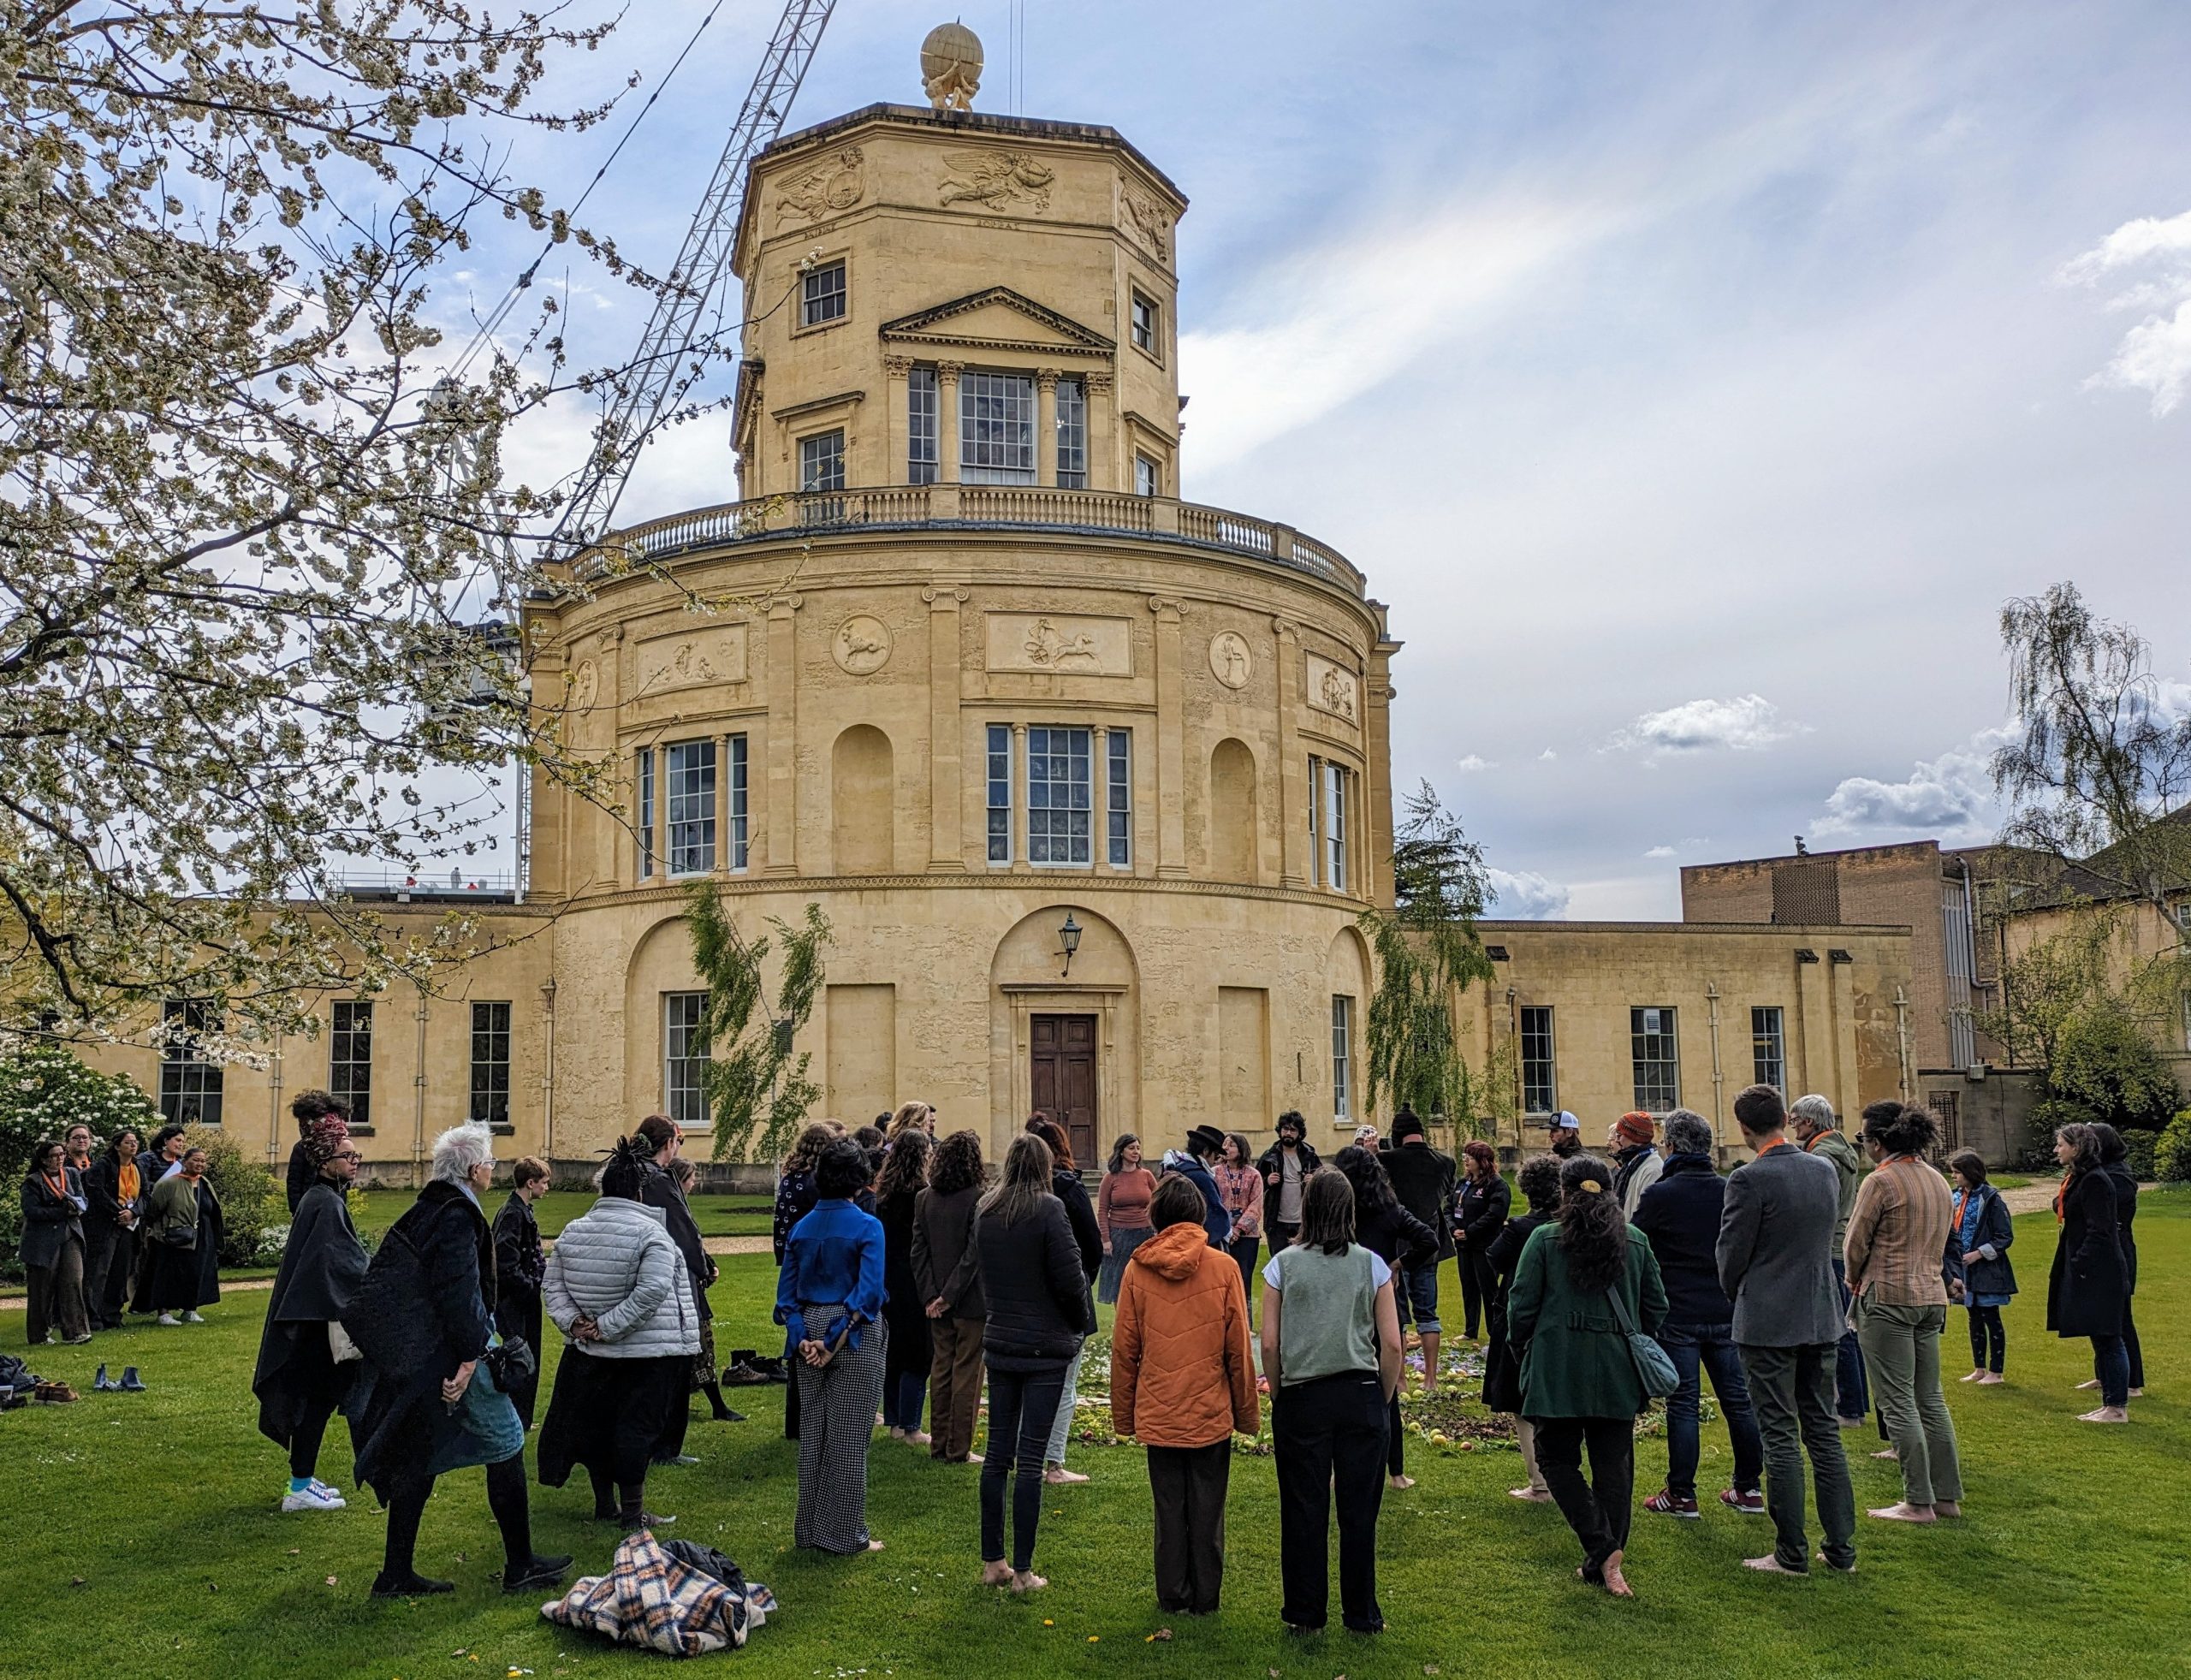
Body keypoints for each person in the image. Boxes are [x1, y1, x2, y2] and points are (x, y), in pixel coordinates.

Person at [345, 1122, 567, 1599]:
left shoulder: (428, 1206)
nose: (492, 1169)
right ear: (472, 1169)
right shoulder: (456, 1215)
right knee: (506, 1441)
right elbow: (458, 1292)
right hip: (450, 1352)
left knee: (418, 1457)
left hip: (423, 1355)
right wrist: (469, 1359)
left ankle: (396, 1574)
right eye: (488, 1162)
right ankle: (521, 1565)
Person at [1509, 1154, 1668, 1599]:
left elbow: (1520, 1306)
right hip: (1616, 1367)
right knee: (1613, 1466)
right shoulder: (1634, 1240)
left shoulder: (1544, 1239)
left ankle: (1601, 1551)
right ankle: (1605, 1555)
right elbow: (1657, 1307)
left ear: (1564, 1192)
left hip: (1558, 1363)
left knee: (1556, 1458)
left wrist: (1524, 1347)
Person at [1717, 1083, 1856, 1576]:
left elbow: (1731, 1254)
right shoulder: (1823, 1169)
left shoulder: (1750, 1179)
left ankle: (1792, 1553)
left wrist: (1741, 1294)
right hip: (1820, 1315)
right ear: (1783, 1117)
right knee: (1822, 1432)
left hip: (1770, 1320)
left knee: (1780, 1435)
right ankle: (1841, 1550)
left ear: (1744, 1128)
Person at [1111, 1173, 1260, 1615]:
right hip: (1208, 1407)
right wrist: (1246, 1414)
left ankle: (1173, 1593)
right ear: (1198, 1214)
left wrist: (1125, 1416)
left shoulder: (1139, 1269)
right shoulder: (1223, 1267)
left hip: (1162, 1407)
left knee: (1169, 1510)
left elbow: (1125, 1351)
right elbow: (1240, 1350)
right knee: (1208, 1510)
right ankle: (1205, 1596)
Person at [1261, 1168, 1402, 1635]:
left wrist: (1280, 1390)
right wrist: (1381, 1398)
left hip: (1303, 1393)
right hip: (1360, 1391)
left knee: (1304, 1508)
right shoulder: (1372, 1264)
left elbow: (1269, 1343)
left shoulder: (1283, 1263)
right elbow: (1393, 1345)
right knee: (1359, 1512)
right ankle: (1361, 1613)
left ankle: (1305, 1613)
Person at [540, 1136, 699, 1529]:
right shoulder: (652, 1234)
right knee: (635, 1429)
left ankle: (605, 1504)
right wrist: (604, 1328)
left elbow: (552, 1285)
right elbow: (652, 1292)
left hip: (590, 1353)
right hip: (644, 1353)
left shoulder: (574, 1230)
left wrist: (578, 1324)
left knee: (598, 1426)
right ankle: (631, 1512)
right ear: (641, 1190)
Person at [1632, 1110, 1765, 1520]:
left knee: (1684, 1404)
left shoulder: (1660, 1194)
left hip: (1679, 1312)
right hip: (1725, 1308)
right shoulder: (1729, 1189)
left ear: (1670, 1146)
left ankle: (1683, 1494)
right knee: (1739, 1402)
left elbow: (1637, 1245)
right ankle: (1748, 1487)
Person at [977, 1132, 1093, 1592]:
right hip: (1042, 1346)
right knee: (1027, 1461)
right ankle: (1022, 1570)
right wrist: (1080, 1321)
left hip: (1004, 1339)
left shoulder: (988, 1209)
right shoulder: (1047, 1209)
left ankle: (994, 1563)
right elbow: (1070, 1279)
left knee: (997, 1457)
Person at [1844, 1102, 1960, 1523]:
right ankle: (1946, 1497)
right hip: (1930, 1294)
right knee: (1930, 1398)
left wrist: (1853, 1278)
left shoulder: (1881, 1181)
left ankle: (1918, 1501)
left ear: (1878, 1142)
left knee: (1898, 1402)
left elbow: (1854, 1243)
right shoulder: (1937, 1180)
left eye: (1863, 1140)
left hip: (1889, 1297)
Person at [774, 1137, 888, 1554]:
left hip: (810, 1327)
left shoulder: (802, 1228)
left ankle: (810, 1530)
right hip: (850, 1331)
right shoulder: (866, 1226)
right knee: (848, 1435)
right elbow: (870, 1292)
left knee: (815, 1432)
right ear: (859, 1181)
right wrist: (833, 1338)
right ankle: (845, 1534)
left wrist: (804, 1337)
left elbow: (785, 1298)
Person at [252, 1116, 368, 1511]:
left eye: (356, 1154)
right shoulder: (325, 1203)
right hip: (316, 1325)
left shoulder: (321, 1199)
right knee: (315, 1402)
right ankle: (299, 1489)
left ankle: (301, 1481)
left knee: (314, 1402)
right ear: (324, 1161)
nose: (355, 1161)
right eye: (347, 1155)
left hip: (311, 1319)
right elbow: (342, 1265)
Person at [1333, 1144, 1435, 1491]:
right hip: (1382, 1304)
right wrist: (1397, 1265)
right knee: (1386, 1387)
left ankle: (1340, 1470)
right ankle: (1396, 1472)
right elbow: (1427, 1238)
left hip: (1345, 1303)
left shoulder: (1340, 1213)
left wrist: (1397, 1264)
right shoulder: (1389, 1209)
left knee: (1342, 1381)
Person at [634, 1113, 720, 1465]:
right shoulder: (657, 1179)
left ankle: (657, 1442)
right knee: (673, 1364)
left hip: (647, 1273)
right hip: (670, 1278)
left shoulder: (639, 1176)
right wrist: (702, 1266)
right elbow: (682, 1231)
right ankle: (664, 1446)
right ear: (669, 1143)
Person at [1483, 1155, 1562, 1502]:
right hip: (1558, 1318)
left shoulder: (1520, 1230)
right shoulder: (1568, 1227)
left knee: (1522, 1401)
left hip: (1521, 1318)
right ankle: (1553, 1478)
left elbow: (1494, 1259)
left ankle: (1541, 1482)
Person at [1028, 1115, 1101, 1484]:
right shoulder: (1069, 1190)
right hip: (1064, 1298)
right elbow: (1092, 1246)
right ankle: (1052, 1464)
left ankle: (1028, 1459)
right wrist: (1079, 1284)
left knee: (1028, 1380)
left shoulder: (1012, 1196)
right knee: (1064, 1384)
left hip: (1025, 1301)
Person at [2046, 1122, 2132, 1423]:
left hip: (2101, 1271)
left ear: (2077, 1147)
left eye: (2061, 1144)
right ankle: (2109, 1401)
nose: (2056, 1150)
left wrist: (2081, 1263)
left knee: (2110, 1337)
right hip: (2090, 1268)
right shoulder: (2081, 1178)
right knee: (2101, 1337)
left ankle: (2117, 1407)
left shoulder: (2096, 1181)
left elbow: (2102, 1230)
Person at [912, 1128, 989, 1463]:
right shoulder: (978, 1199)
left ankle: (939, 1442)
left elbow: (918, 1252)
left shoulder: (925, 1198)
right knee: (966, 1374)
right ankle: (958, 1447)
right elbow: (974, 1253)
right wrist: (946, 1295)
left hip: (938, 1301)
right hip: (968, 1301)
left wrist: (932, 1294)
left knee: (942, 1369)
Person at [1793, 1093, 1868, 1427]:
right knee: (1844, 1329)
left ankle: (1850, 1408)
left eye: (1796, 1120)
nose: (1793, 1125)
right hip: (1838, 1245)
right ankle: (1852, 1400)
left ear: (1809, 1122)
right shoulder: (1838, 1149)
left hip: (1829, 1248)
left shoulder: (1822, 1157)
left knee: (1839, 1330)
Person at [663, 1156, 743, 1425]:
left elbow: (693, 1241)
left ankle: (711, 1404)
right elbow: (689, 1243)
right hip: (686, 1290)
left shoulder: (675, 1207)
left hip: (688, 1286)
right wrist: (706, 1270)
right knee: (700, 1346)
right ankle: (716, 1406)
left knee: (699, 1347)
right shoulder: (675, 1209)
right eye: (691, 1179)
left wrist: (708, 1264)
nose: (694, 1184)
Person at [774, 1120, 838, 1442]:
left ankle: (795, 1422)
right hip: (812, 1255)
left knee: (796, 1336)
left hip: (791, 1257)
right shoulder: (814, 1184)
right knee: (810, 1337)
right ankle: (810, 1420)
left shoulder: (790, 1178)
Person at [1381, 1112, 1455, 1382]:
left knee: (1397, 1316)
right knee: (1428, 1312)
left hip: (1395, 1247)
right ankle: (1431, 1379)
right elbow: (1446, 1195)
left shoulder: (1385, 1160)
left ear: (1397, 1134)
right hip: (1428, 1246)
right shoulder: (1446, 1163)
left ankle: (1399, 1379)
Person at [875, 1128, 935, 1446]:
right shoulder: (922, 1196)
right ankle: (910, 1425)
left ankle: (896, 1420)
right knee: (916, 1352)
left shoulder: (884, 1195)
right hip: (913, 1279)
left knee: (894, 1349)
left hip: (888, 1277)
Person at [1945, 1150, 2016, 1384]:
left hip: (1986, 1269)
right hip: (1964, 1268)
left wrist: (1978, 1254)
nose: (1953, 1176)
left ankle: (1997, 1371)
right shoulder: (1955, 1197)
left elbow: (2004, 1236)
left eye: (1957, 1172)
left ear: (1969, 1173)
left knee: (1991, 1317)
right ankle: (1979, 1368)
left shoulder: (1992, 1199)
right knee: (1973, 1317)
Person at [492, 1155, 551, 1428]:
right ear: (530, 1183)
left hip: (521, 1297)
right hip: (515, 1300)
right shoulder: (514, 1214)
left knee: (529, 1356)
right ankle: (517, 1415)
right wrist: (529, 1287)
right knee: (521, 1357)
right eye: (544, 1183)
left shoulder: (519, 1211)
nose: (547, 1188)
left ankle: (522, 1417)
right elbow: (506, 1261)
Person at [21, 1139, 91, 1345]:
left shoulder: (72, 1174)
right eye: (54, 1156)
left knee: (72, 1281)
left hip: (70, 1233)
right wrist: (60, 1211)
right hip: (42, 1239)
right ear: (43, 1159)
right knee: (42, 1286)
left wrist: (77, 1208)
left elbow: (83, 1199)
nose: (59, 1159)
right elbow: (31, 1211)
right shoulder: (33, 1181)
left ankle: (76, 1331)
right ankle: (39, 1334)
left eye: (61, 1154)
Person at [2093, 1124, 2144, 1397]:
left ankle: (2132, 1381)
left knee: (2121, 1317)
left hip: (2118, 1250)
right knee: (2101, 1317)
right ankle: (2104, 1374)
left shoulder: (2119, 1177)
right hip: (2107, 1247)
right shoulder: (2099, 1175)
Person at [145, 1144, 219, 1326]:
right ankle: (164, 1312)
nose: (200, 1164)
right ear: (184, 1162)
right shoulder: (170, 1183)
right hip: (174, 1236)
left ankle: (190, 1309)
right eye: (195, 1160)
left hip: (201, 1235)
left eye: (203, 1161)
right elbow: (154, 1210)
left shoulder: (204, 1183)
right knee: (169, 1274)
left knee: (195, 1273)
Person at [80, 1126, 142, 1332]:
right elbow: (96, 1192)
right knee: (100, 1271)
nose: (133, 1145)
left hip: (128, 1226)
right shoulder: (104, 1166)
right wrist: (119, 1212)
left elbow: (146, 1194)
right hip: (106, 1225)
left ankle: (112, 1314)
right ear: (117, 1146)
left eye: (135, 1142)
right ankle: (94, 1315)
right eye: (128, 1142)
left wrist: (133, 1213)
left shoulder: (138, 1166)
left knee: (121, 1270)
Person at [128, 1124, 188, 1317]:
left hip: (171, 1220)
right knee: (143, 1259)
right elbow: (141, 1184)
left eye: (183, 1142)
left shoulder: (181, 1162)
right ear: (165, 1141)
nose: (180, 1145)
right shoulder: (148, 1159)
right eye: (177, 1140)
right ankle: (137, 1301)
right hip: (149, 1215)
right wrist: (166, 1186)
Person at [1452, 1139, 1509, 1345]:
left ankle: (1495, 1330)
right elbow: (1449, 1208)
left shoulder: (1497, 1185)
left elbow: (1495, 1214)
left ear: (1483, 1161)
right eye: (1465, 1156)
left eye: (1471, 1156)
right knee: (1468, 1287)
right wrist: (1454, 1229)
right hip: (1463, 1245)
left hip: (1485, 1246)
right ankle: (1470, 1329)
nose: (1466, 1160)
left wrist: (1470, 1231)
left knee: (1488, 1289)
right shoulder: (1463, 1183)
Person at [1096, 1133, 1159, 1305]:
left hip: (1145, 1234)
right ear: (1121, 1151)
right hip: (1119, 1236)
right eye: (1131, 1148)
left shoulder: (1146, 1176)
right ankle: (1123, 1323)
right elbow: (1102, 1211)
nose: (1136, 1152)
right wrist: (1106, 1240)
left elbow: (1159, 1203)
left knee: (1145, 1281)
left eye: (1138, 1148)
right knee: (1120, 1284)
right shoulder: (1110, 1178)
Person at [1213, 1133, 1264, 1323]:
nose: (1227, 1148)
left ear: (1241, 1148)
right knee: (1221, 1281)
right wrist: (1225, 1229)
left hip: (1247, 1237)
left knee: (1244, 1280)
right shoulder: (1215, 1172)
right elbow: (1213, 1203)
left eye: (1232, 1145)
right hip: (1221, 1235)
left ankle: (1245, 1323)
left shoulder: (1254, 1175)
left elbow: (1256, 1205)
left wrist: (1239, 1229)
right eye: (1224, 1144)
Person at [1257, 1112, 1320, 1255]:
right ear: (1280, 1131)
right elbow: (1254, 1183)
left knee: (1304, 1261)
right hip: (1277, 1221)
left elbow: (1324, 1180)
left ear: (1300, 1133)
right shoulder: (1269, 1156)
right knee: (1279, 1262)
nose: (1288, 1133)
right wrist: (1267, 1181)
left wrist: (1314, 1180)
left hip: (1304, 1220)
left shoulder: (1309, 1155)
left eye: (1293, 1130)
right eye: (1285, 1129)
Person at [1163, 1125, 1232, 1248]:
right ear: (1206, 1151)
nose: (1216, 1160)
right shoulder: (1201, 1177)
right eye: (1215, 1155)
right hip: (1199, 1241)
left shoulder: (1177, 1170)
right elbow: (1216, 1214)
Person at [284, 1089, 350, 1214]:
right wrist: (297, 1211)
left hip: (334, 1202)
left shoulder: (338, 1145)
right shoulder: (301, 1148)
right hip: (310, 1206)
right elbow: (294, 1183)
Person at [1611, 1112, 1662, 1216]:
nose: (1617, 1140)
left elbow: (1647, 1214)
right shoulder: (1632, 1163)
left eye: (1619, 1135)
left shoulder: (1652, 1170)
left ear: (1634, 1137)